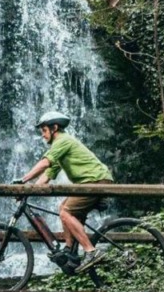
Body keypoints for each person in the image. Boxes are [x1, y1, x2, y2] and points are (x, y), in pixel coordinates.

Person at [15, 111, 114, 272]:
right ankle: (70, 250)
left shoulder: (63, 140)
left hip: (95, 180)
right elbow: (46, 176)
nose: (43, 135)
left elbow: (44, 163)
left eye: (44, 131)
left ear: (54, 128)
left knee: (66, 212)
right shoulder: (60, 151)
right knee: (63, 208)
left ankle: (91, 251)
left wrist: (23, 180)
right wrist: (28, 191)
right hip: (91, 181)